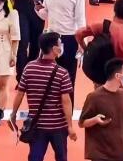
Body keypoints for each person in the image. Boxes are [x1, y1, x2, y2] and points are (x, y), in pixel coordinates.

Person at [10, 32, 77, 161]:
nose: (61, 47)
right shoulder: (62, 73)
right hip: (58, 126)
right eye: (60, 44)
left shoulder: (29, 68)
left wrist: (13, 114)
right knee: (61, 157)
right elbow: (66, 101)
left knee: (35, 157)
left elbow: (20, 93)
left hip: (37, 125)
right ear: (55, 49)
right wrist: (70, 126)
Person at [76, 0, 123, 109]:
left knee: (101, 105)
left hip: (101, 74)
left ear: (114, 10)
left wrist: (84, 48)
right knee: (122, 108)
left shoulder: (102, 26)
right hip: (122, 78)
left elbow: (79, 33)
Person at [78, 58, 123, 161]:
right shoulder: (94, 97)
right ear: (117, 76)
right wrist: (95, 120)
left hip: (122, 153)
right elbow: (82, 123)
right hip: (102, 155)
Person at [38, 0, 86, 88]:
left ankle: (68, 101)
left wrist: (82, 43)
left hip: (70, 38)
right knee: (50, 77)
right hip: (52, 37)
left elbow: (80, 19)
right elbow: (46, 13)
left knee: (69, 78)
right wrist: (38, 9)